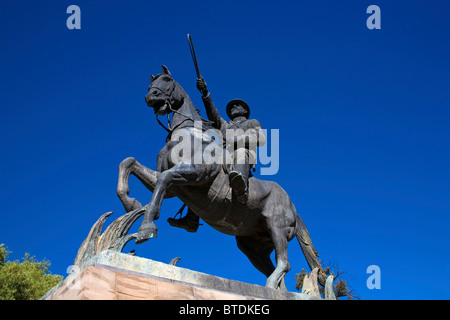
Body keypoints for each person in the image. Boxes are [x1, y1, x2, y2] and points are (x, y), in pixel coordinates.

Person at [167, 77, 265, 231]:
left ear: (245, 111)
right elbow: (213, 114)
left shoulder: (251, 122)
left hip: (243, 155)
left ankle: (241, 189)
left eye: (237, 106)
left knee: (240, 152)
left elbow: (261, 138)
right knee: (200, 170)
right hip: (223, 158)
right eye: (231, 106)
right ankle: (191, 219)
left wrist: (237, 138)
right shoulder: (225, 125)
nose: (233, 107)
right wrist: (205, 93)